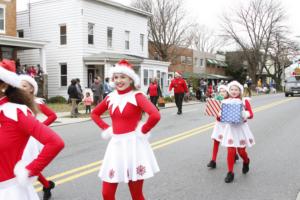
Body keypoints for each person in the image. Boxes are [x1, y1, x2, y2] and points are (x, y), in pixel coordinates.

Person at [91, 59, 161, 200]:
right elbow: (94, 113)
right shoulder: (110, 97)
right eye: (116, 77)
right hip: (115, 146)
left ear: (130, 79)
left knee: (136, 194)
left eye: (123, 77)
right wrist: (107, 129)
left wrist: (142, 130)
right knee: (107, 193)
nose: (119, 81)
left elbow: (155, 115)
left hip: (134, 147)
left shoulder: (137, 96)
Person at [0, 59, 64, 200]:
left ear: (3, 85)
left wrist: (28, 171)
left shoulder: (16, 112)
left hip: (10, 192)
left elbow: (55, 142)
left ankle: (46, 184)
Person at [19, 74, 58, 200]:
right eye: (19, 86)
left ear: (31, 89)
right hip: (17, 137)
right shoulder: (14, 101)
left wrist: (38, 128)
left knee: (28, 164)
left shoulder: (35, 103)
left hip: (29, 139)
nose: (21, 88)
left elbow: (53, 116)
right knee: (22, 164)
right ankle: (46, 185)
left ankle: (38, 188)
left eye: (24, 86)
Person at [219, 81, 255, 183]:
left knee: (241, 151)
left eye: (236, 89)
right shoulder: (225, 101)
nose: (234, 91)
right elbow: (220, 115)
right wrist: (219, 114)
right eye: (231, 89)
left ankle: (246, 161)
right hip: (230, 129)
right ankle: (230, 172)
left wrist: (244, 114)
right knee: (230, 150)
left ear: (240, 91)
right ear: (229, 91)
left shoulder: (244, 101)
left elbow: (251, 114)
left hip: (241, 129)